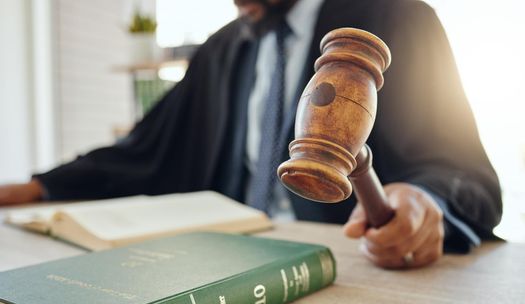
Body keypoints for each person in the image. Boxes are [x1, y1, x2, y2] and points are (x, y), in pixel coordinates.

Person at [0, 0, 502, 269]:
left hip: (349, 260)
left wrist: (421, 201)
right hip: (225, 256)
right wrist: (38, 187)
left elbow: (460, 170)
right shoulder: (224, 47)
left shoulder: (397, 17)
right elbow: (144, 149)